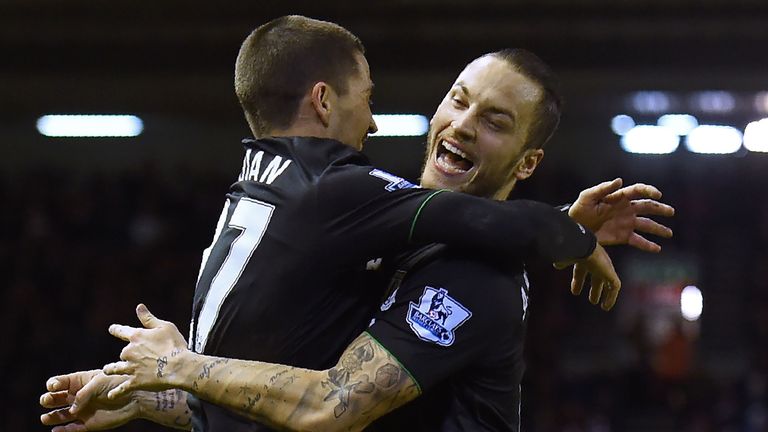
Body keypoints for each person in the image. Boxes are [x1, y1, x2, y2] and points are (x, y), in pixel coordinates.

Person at [40, 17, 672, 432]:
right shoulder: (386, 234)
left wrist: (178, 367)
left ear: (527, 162)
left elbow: (330, 405)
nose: (463, 124)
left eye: (496, 122)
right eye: (459, 99)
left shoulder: (472, 274)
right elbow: (276, 400)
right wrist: (138, 394)